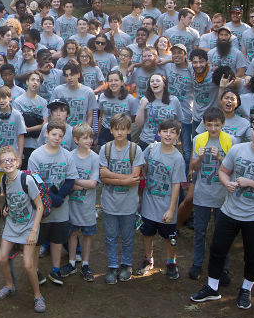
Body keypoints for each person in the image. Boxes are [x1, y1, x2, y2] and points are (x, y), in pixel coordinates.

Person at [191, 116, 254, 310]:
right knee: (217, 249)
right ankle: (212, 287)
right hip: (229, 211)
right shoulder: (238, 149)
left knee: (252, 255)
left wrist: (252, 183)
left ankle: (246, 289)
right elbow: (224, 170)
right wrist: (226, 183)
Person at [0, 145, 46, 313]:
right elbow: (10, 200)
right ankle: (10, 286)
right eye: (4, 161)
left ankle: (38, 296)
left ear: (17, 162)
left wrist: (33, 231)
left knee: (28, 264)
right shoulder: (3, 180)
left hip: (29, 226)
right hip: (12, 224)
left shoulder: (26, 180)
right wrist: (4, 210)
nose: (8, 163)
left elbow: (40, 206)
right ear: (0, 165)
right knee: (2, 258)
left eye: (11, 160)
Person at [134, 118, 186, 280]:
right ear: (159, 133)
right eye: (165, 131)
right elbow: (141, 166)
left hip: (166, 204)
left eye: (172, 132)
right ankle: (148, 259)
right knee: (147, 233)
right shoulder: (151, 149)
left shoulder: (177, 158)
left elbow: (176, 185)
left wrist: (172, 209)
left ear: (178, 136)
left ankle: (171, 262)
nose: (168, 135)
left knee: (169, 237)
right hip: (149, 202)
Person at [27, 121, 77, 286]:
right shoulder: (36, 155)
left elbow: (70, 180)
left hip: (61, 206)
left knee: (57, 238)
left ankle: (55, 269)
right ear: (47, 134)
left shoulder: (67, 155)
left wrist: (60, 196)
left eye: (60, 136)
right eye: (54, 134)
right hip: (42, 207)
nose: (57, 138)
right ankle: (34, 269)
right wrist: (49, 197)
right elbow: (35, 180)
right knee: (39, 240)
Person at [187, 107, 233, 282]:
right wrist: (199, 158)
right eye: (209, 125)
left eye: (217, 125)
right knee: (200, 231)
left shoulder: (229, 140)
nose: (213, 128)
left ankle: (223, 267)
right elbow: (194, 168)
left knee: (222, 233)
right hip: (202, 194)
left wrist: (221, 158)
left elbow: (234, 168)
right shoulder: (199, 139)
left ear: (222, 124)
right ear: (204, 124)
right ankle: (197, 264)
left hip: (222, 196)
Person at [99, 113, 144, 284]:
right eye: (116, 129)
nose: (119, 133)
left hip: (129, 203)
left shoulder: (135, 150)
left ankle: (126, 264)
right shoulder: (106, 149)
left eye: (123, 129)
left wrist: (112, 175)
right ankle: (112, 265)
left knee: (127, 236)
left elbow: (135, 179)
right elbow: (103, 178)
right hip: (109, 202)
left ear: (128, 130)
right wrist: (125, 179)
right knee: (110, 236)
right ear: (110, 130)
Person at [63, 124, 99, 280]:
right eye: (85, 138)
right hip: (72, 206)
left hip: (87, 207)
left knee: (87, 235)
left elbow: (93, 183)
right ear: (76, 140)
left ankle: (85, 263)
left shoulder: (95, 158)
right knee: (72, 233)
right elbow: (66, 182)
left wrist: (75, 182)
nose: (89, 140)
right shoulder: (70, 156)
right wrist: (75, 184)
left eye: (90, 137)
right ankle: (71, 262)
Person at [0, 86, 26, 217]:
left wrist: (19, 157)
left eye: (4, 97)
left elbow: (21, 136)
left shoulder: (17, 115)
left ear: (10, 98)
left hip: (12, 157)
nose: (2, 101)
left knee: (12, 182)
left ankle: (10, 207)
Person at [135, 73, 181, 149]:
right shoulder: (144, 100)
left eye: (158, 81)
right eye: (152, 81)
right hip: (147, 142)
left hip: (168, 142)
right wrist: (142, 107)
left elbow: (178, 122)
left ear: (164, 84)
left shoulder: (174, 100)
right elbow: (138, 124)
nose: (154, 83)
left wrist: (175, 139)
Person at [51, 62, 98, 128]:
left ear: (78, 74)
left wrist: (86, 132)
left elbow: (90, 116)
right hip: (62, 130)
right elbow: (52, 113)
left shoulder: (88, 92)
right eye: (66, 76)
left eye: (72, 75)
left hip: (81, 131)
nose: (69, 78)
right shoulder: (58, 90)